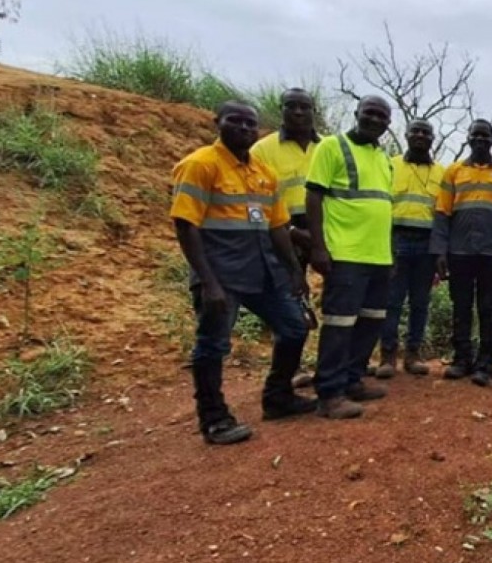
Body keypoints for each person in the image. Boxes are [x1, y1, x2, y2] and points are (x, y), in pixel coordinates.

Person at [169, 101, 315, 445]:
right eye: (235, 121)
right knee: (213, 344)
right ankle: (214, 418)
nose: (245, 129)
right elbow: (186, 225)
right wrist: (208, 283)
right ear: (217, 122)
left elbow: (278, 227)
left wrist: (295, 272)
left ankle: (278, 397)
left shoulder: (263, 172)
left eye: (251, 124)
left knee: (294, 327)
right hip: (221, 274)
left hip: (264, 271)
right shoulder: (200, 165)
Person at [304, 95, 395, 419]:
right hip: (345, 254)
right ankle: (329, 394)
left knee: (371, 321)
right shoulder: (331, 147)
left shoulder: (384, 158)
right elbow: (313, 197)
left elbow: (382, 207)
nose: (375, 120)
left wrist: (389, 254)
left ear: (388, 124)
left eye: (382, 117)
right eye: (369, 113)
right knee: (340, 324)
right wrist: (318, 247)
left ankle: (353, 380)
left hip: (378, 255)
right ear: (357, 113)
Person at [430, 119, 492, 387]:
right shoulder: (454, 171)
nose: (480, 140)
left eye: (485, 136)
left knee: (487, 308)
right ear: (468, 138)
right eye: (476, 135)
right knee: (461, 306)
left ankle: (485, 364)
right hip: (459, 251)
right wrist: (440, 251)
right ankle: (462, 360)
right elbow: (442, 213)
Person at [250, 88, 322, 389]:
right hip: (281, 232)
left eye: (305, 107)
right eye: (291, 106)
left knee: (339, 299)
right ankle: (290, 370)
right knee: (291, 297)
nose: (298, 112)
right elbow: (256, 200)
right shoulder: (262, 149)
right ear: (281, 110)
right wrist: (291, 232)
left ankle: (333, 364)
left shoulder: (328, 147)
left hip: (324, 230)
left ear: (314, 111)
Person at [375, 119, 440, 378]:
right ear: (406, 135)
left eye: (426, 132)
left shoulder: (441, 173)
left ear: (432, 138)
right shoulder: (389, 164)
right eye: (416, 131)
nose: (420, 135)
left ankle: (413, 354)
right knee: (391, 301)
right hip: (396, 240)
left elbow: (444, 214)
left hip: (427, 244)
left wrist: (440, 252)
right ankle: (387, 356)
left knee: (420, 303)